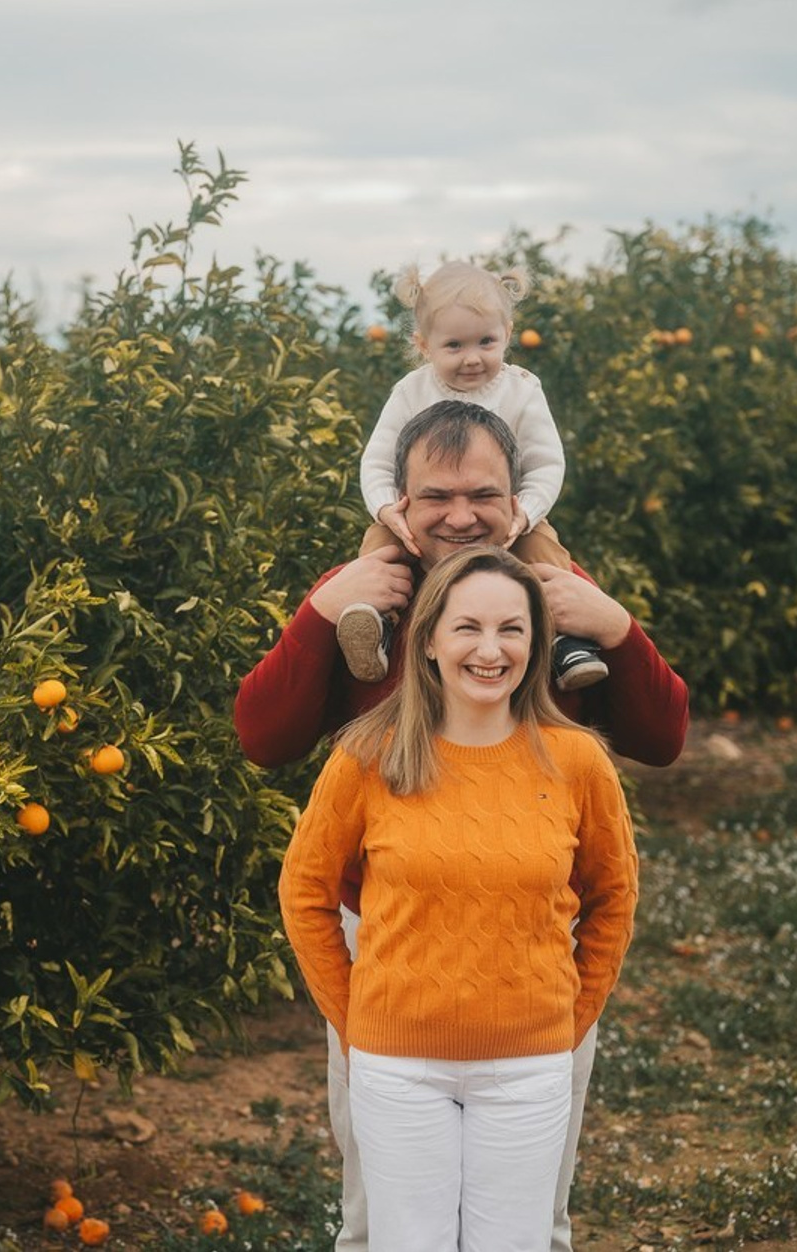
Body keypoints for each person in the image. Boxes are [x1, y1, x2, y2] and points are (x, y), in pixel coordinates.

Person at [234, 401, 688, 1252]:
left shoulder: (548, 602)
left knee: (529, 1220)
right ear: (397, 506)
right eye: (435, 496)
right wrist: (323, 612)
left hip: (532, 952)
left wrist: (618, 630)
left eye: (483, 492)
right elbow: (263, 738)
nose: (461, 514)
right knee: (384, 1219)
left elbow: (663, 740)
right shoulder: (370, 599)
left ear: (518, 499)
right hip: (395, 948)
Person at [279, 545, 639, 1250]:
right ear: (431, 640)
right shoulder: (367, 755)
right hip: (396, 1068)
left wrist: (569, 1019)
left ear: (535, 646)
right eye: (468, 626)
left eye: (512, 629)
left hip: (530, 1066)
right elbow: (304, 890)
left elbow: (614, 896)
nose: (490, 648)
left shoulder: (577, 761)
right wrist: (355, 1021)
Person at [339, 261, 606, 692]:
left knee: (546, 554)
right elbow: (377, 462)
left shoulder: (521, 390)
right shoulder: (411, 392)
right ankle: (375, 625)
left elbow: (546, 464)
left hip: (507, 519)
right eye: (454, 346)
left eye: (486, 341)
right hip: (418, 519)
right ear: (424, 345)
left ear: (508, 333)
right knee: (378, 552)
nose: (472, 358)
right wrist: (388, 509)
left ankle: (565, 639)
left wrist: (527, 514)